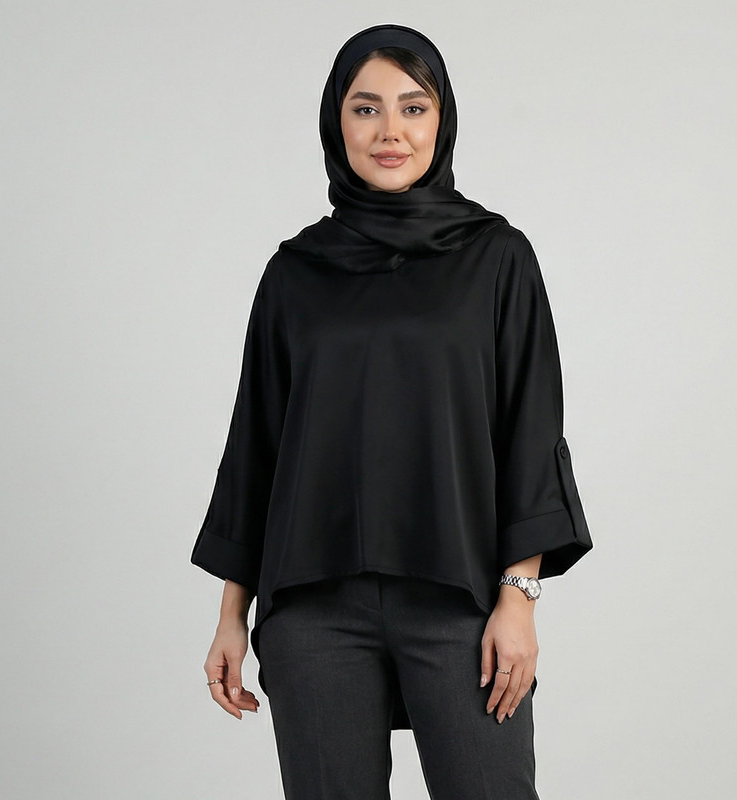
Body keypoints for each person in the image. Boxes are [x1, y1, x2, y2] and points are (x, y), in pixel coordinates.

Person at [190, 22, 593, 800]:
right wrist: (232, 615)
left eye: (413, 107)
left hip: (458, 600)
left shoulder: (497, 257)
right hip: (313, 607)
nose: (390, 131)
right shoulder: (294, 273)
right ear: (335, 122)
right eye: (365, 108)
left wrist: (519, 599)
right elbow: (256, 449)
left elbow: (530, 431)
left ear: (441, 120)